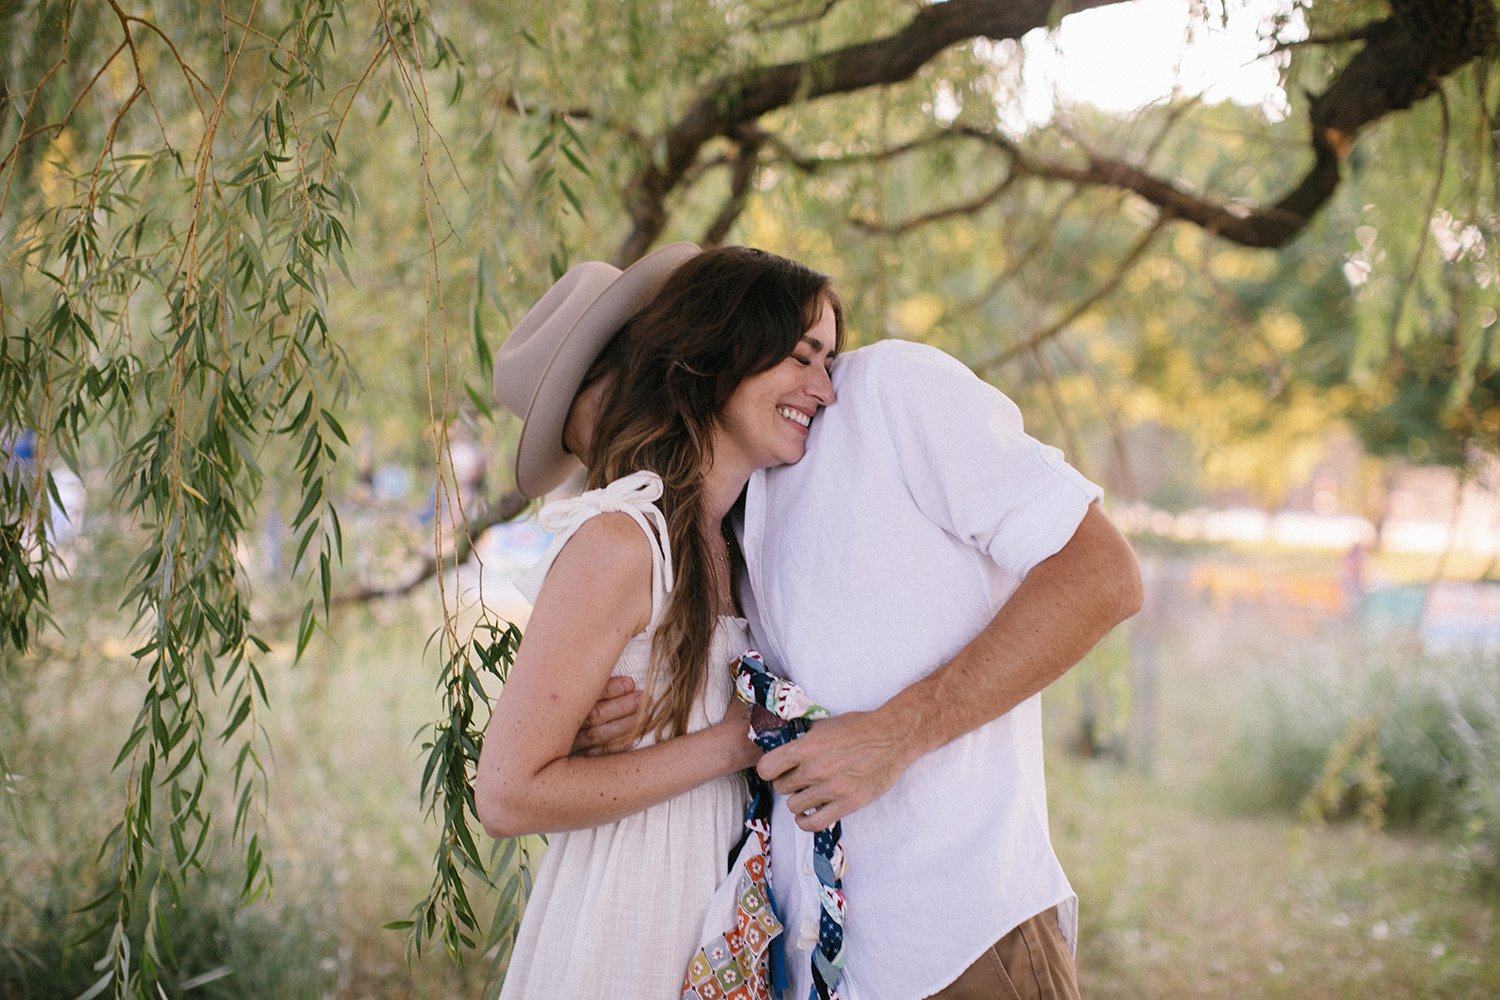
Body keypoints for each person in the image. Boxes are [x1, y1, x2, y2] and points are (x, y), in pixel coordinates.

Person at [578, 309, 1143, 997]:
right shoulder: (717, 508)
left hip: (955, 946)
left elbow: (1103, 575)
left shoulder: (891, 392)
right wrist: (635, 708)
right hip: (806, 955)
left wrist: (899, 732)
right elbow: (778, 693)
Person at [476, 242, 844, 999]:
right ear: (716, 360)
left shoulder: (742, 543)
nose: (825, 390)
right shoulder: (620, 542)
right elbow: (506, 794)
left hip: (732, 910)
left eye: (828, 363)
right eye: (803, 358)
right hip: (635, 908)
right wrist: (731, 743)